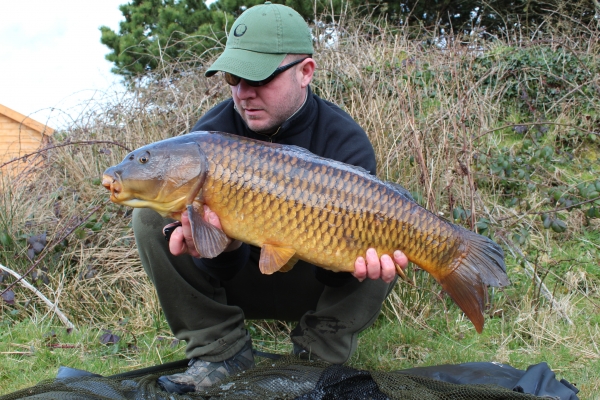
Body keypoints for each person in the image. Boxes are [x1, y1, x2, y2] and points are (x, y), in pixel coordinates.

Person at [132, 2, 408, 394]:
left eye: (258, 79)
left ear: (305, 72)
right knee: (147, 218)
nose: (243, 94)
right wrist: (218, 244)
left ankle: (315, 359)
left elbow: (336, 276)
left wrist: (355, 262)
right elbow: (220, 271)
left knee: (390, 228)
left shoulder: (344, 140)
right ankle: (219, 352)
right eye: (233, 77)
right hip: (242, 280)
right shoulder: (210, 136)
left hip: (313, 283)